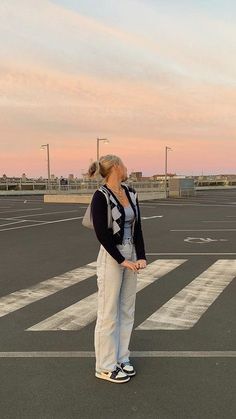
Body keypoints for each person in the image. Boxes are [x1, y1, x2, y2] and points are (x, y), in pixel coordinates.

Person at [89, 154, 147, 384]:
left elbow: (138, 227)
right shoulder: (101, 195)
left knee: (127, 309)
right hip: (112, 256)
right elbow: (101, 234)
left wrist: (140, 255)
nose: (126, 167)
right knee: (108, 313)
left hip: (130, 252)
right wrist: (121, 260)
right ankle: (104, 365)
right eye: (123, 164)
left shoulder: (131, 193)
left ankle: (122, 358)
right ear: (115, 167)